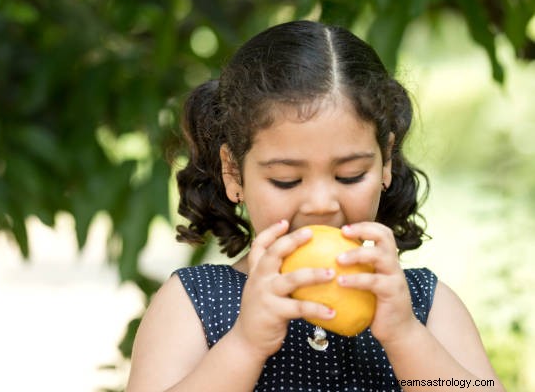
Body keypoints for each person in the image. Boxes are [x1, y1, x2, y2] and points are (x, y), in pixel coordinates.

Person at [125, 20, 504, 391]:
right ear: (233, 172)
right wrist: (244, 346)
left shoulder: (423, 303)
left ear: (385, 161)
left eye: (351, 175)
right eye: (286, 180)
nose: (322, 204)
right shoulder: (198, 303)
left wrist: (406, 337)